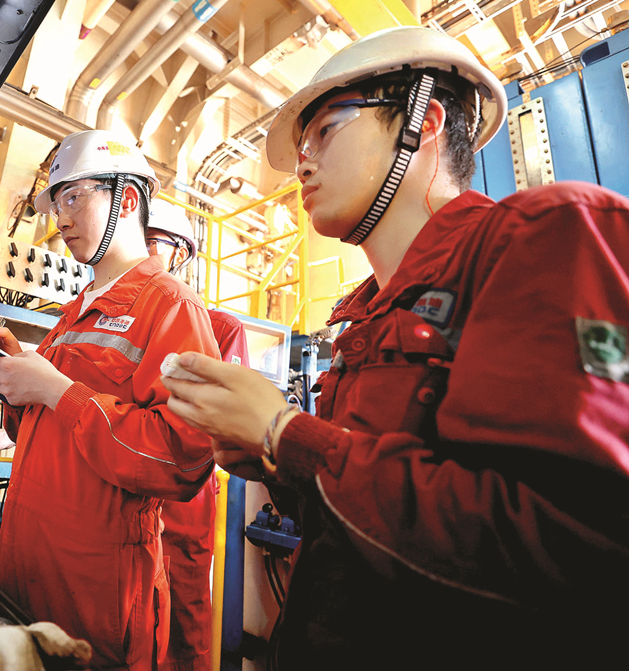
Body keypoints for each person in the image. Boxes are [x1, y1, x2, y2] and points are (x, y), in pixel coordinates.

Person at [161, 26, 629, 664]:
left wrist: (286, 434)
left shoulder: (544, 238)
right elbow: (379, 525)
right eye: (301, 145)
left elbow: (579, 549)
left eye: (326, 129)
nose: (301, 164)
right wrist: (275, 462)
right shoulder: (366, 315)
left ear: (423, 122)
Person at [0, 130, 221, 670]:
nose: (61, 218)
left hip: (96, 590)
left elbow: (182, 458)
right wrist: (16, 374)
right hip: (27, 563)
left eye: (74, 197)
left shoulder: (171, 307)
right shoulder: (75, 311)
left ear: (126, 200)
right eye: (57, 203)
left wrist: (56, 389)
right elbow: (48, 428)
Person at [147, 198, 249, 671]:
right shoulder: (116, 322)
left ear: (180, 253)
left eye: (153, 242)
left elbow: (217, 421)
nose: (142, 251)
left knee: (182, 619)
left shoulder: (220, 328)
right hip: (120, 493)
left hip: (182, 501)